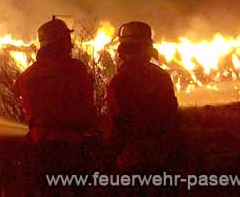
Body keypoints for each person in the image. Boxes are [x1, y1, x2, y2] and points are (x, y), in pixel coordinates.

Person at [14, 17, 97, 176]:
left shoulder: (29, 74)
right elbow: (87, 108)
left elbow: (17, 90)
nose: (71, 44)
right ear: (60, 42)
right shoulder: (76, 69)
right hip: (73, 147)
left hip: (41, 147)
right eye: (67, 39)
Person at [104, 21, 181, 173]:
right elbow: (172, 114)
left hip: (132, 157)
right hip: (162, 156)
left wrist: (109, 150)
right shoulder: (161, 76)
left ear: (123, 50)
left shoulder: (121, 81)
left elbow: (116, 122)